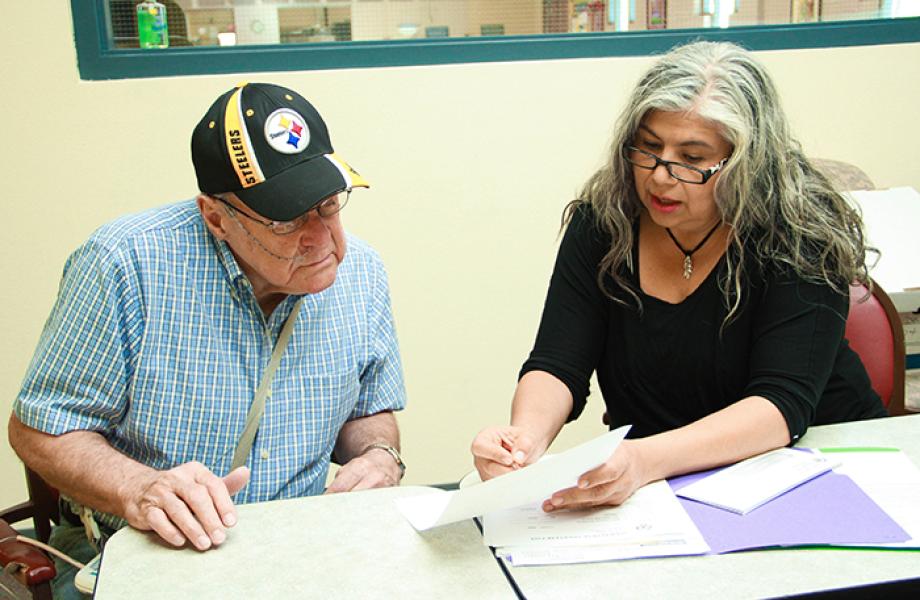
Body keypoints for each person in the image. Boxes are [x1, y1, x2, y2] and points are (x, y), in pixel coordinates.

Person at [8, 82, 407, 595]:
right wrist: (140, 488)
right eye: (288, 220)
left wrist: (378, 457)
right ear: (216, 217)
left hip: (303, 547)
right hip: (141, 549)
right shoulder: (124, 264)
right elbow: (39, 429)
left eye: (330, 205)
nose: (323, 238)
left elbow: (368, 410)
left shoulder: (363, 273)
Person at [471, 41, 887, 513]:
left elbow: (780, 407)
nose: (660, 177)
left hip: (817, 467)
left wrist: (643, 460)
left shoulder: (798, 233)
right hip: (667, 490)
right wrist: (523, 441)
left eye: (691, 159)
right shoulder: (605, 224)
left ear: (746, 163)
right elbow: (557, 363)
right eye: (648, 148)